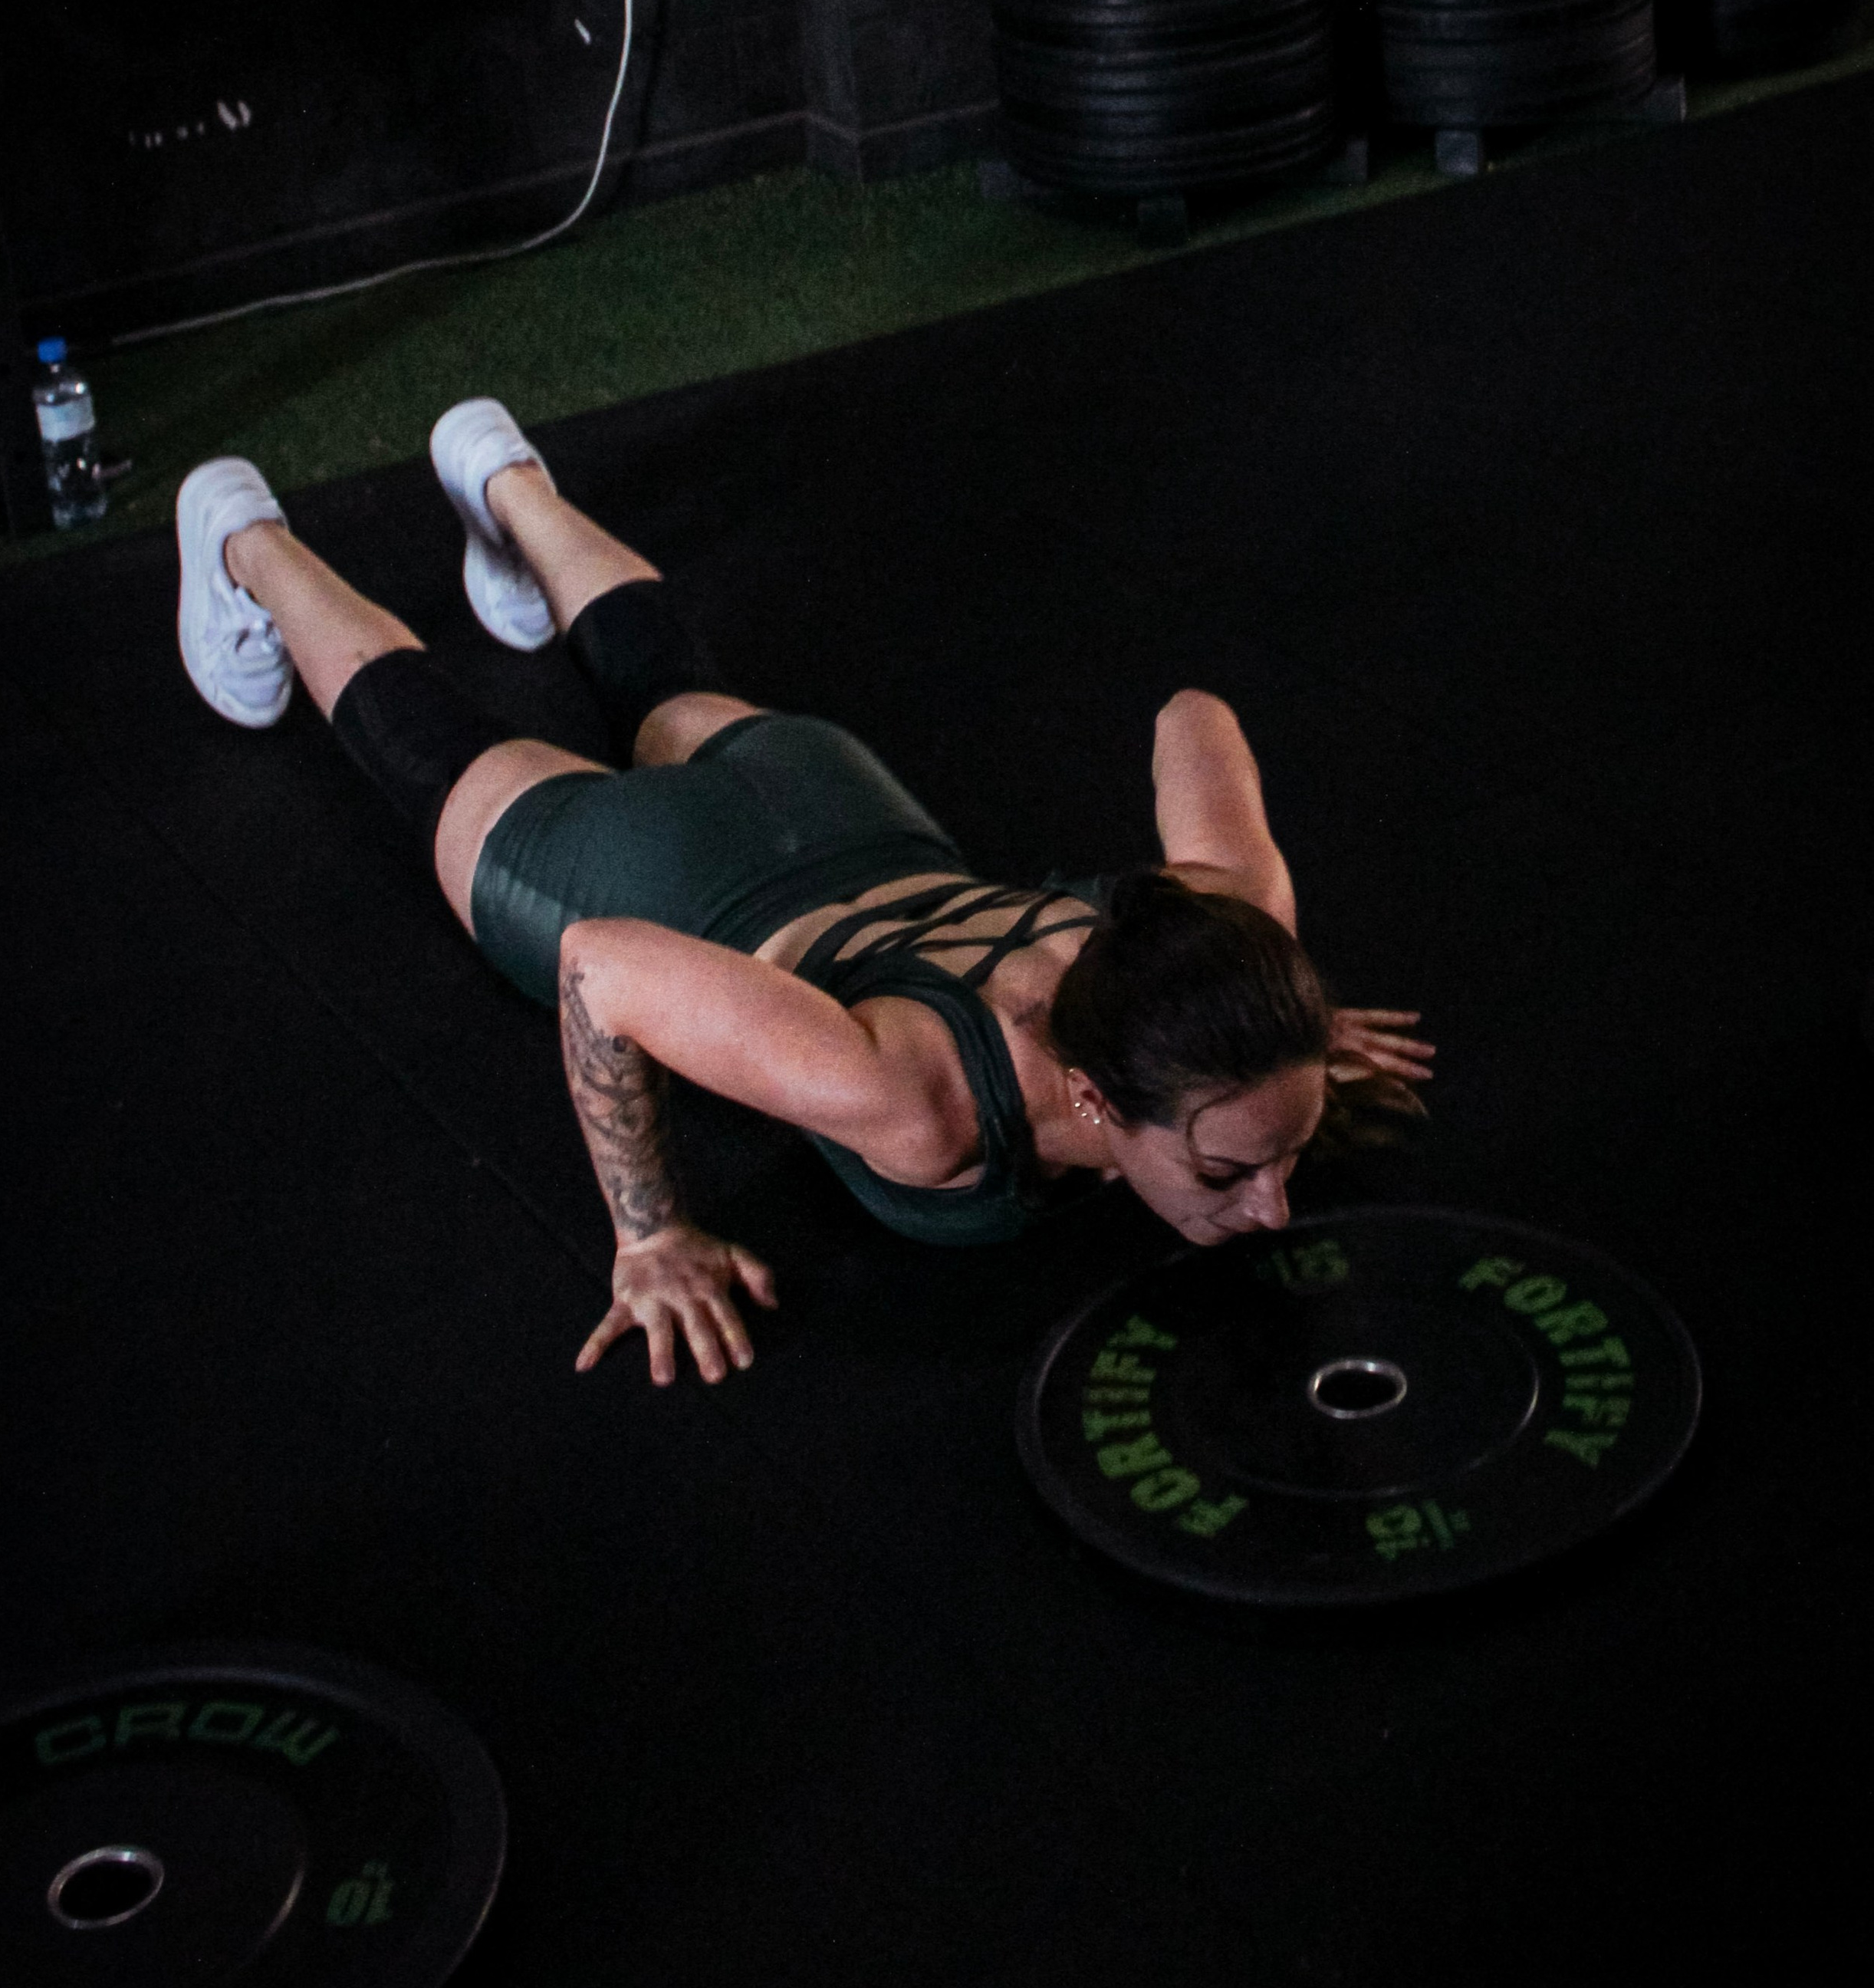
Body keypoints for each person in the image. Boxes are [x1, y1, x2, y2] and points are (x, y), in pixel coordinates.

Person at [175, 399, 1432, 1384]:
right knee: (434, 750)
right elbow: (602, 968)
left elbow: (1191, 714)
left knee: (670, 692)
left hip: (824, 796)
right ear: (1095, 1098)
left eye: (1283, 1155)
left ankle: (502, 476)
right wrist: (650, 1234)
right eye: (1224, 1174)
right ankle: (245, 535)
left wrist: (1276, 1029)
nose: (1272, 1205)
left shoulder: (1226, 932)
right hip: (657, 876)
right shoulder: (918, 1105)